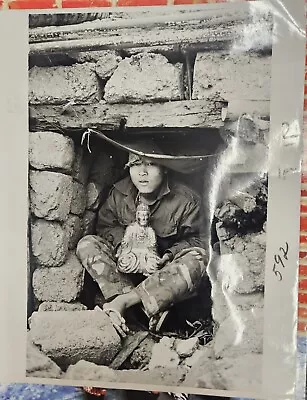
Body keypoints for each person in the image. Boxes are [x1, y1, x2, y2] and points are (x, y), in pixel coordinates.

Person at [76, 151, 208, 337]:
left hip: (164, 275)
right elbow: (106, 227)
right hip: (127, 272)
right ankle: (140, 308)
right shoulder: (119, 193)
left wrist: (168, 255)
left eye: (151, 164)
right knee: (87, 244)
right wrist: (124, 246)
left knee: (199, 258)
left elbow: (198, 240)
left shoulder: (186, 201)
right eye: (136, 164)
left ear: (165, 169)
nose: (142, 172)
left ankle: (124, 304)